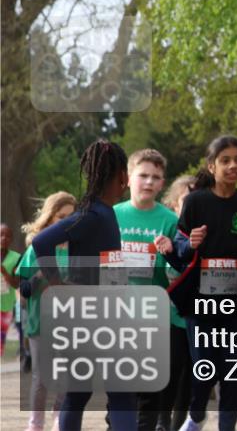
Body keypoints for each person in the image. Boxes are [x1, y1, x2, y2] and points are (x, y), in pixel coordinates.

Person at [31, 140, 136, 431]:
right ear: (121, 177)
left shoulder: (102, 212)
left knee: (79, 392)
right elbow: (41, 242)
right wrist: (56, 283)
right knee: (121, 394)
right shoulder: (91, 215)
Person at [163, 135, 237, 431]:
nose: (233, 166)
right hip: (200, 303)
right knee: (204, 371)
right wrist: (190, 244)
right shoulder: (196, 202)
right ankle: (196, 417)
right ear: (212, 165)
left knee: (233, 370)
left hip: (234, 304)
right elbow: (179, 254)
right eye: (225, 160)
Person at [114, 149, 187, 431]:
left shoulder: (169, 221)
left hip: (156, 317)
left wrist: (171, 255)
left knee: (150, 396)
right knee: (121, 393)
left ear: (162, 183)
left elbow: (182, 269)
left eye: (155, 177)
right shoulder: (112, 215)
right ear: (128, 178)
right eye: (142, 175)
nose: (148, 182)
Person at [17, 192, 75, 431]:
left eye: (71, 218)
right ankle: (35, 424)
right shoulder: (37, 249)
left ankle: (59, 422)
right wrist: (39, 277)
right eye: (61, 216)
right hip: (41, 322)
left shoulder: (78, 249)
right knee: (41, 380)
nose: (65, 222)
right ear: (50, 218)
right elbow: (22, 291)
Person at [160, 176, 196, 431]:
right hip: (169, 316)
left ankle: (177, 425)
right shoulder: (169, 230)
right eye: (186, 201)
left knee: (189, 379)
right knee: (169, 373)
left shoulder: (205, 232)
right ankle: (162, 422)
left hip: (196, 318)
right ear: (174, 205)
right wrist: (170, 251)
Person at [1, 222, 21, 357]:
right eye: (1, 235)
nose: (4, 238)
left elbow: (16, 284)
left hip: (7, 304)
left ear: (11, 240)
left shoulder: (16, 258)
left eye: (8, 236)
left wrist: (5, 273)